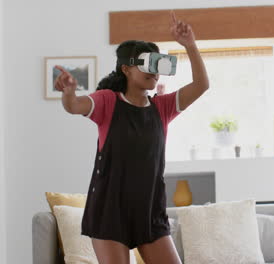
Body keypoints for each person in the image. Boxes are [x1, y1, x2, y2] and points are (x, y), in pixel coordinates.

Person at [54, 12, 209, 264]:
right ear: (126, 68)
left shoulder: (163, 107)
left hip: (149, 213)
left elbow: (201, 84)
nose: (154, 71)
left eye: (157, 64)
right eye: (147, 63)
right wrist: (69, 93)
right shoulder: (108, 101)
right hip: (109, 212)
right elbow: (74, 106)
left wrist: (190, 44)